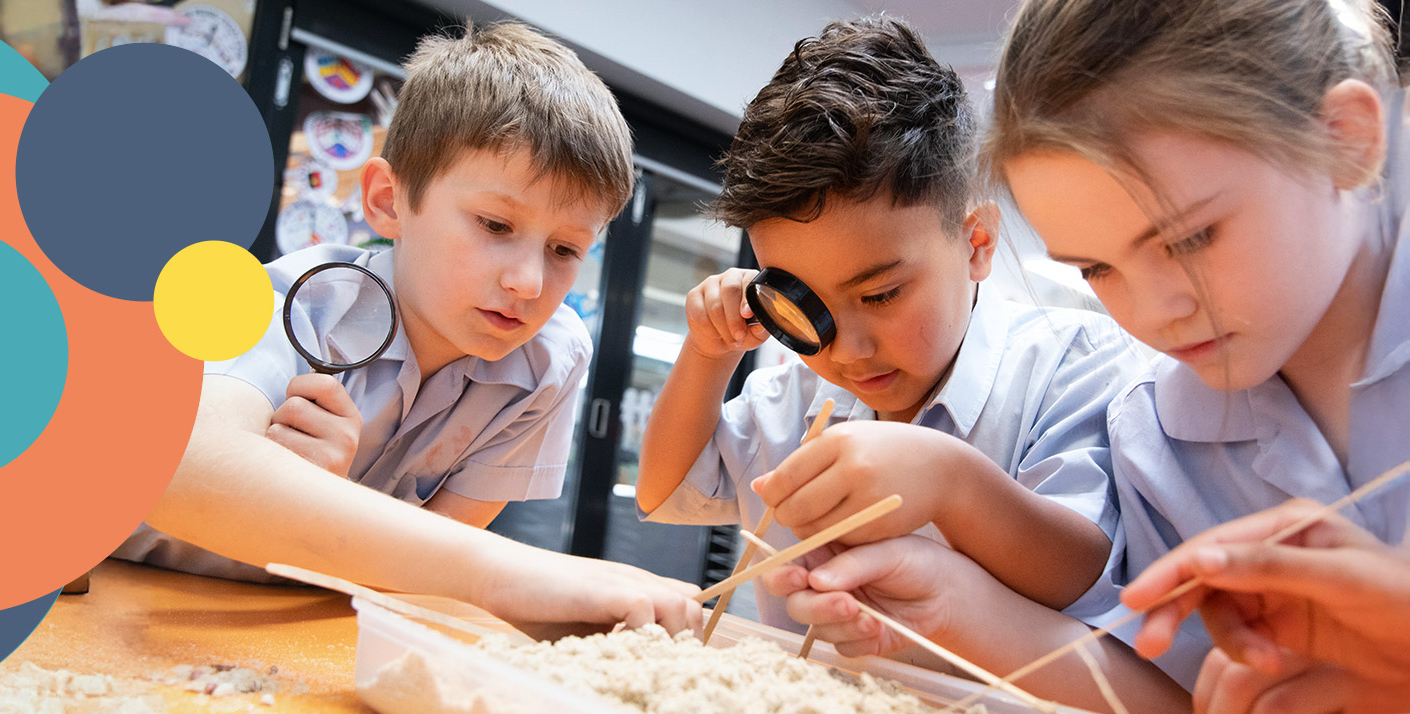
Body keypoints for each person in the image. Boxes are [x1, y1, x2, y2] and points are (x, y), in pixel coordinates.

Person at [779, 0, 1410, 710]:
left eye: (1189, 240)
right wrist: (953, 606)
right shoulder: (1159, 428)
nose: (1151, 313)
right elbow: (1174, 694)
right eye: (1096, 270)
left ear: (1347, 139)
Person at [122, 22, 706, 635]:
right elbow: (177, 469)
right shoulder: (287, 301)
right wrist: (512, 573)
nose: (529, 283)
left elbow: (430, 568)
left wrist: (339, 498)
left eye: (565, 250)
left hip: (298, 622)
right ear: (387, 200)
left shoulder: (548, 363)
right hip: (124, 594)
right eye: (495, 225)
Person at [636, 15, 1141, 637]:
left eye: (881, 294)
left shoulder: (1072, 365)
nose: (847, 350)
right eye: (805, 304)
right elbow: (662, 492)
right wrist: (708, 354)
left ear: (976, 241)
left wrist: (950, 481)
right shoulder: (797, 395)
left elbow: (1079, 569)